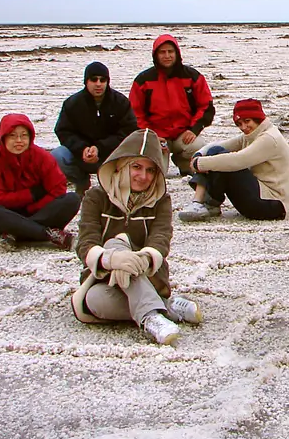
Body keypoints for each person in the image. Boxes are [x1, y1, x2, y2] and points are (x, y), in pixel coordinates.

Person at [72, 128, 202, 345]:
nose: (143, 176)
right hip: (106, 278)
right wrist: (112, 260)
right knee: (94, 300)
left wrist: (141, 259)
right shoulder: (96, 197)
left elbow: (161, 239)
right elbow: (86, 242)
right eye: (136, 167)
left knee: (117, 242)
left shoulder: (161, 200)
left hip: (149, 276)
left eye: (151, 170)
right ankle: (164, 307)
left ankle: (150, 316)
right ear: (122, 165)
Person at [179, 98, 289, 222]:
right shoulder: (253, 134)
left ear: (257, 118)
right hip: (264, 197)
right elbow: (221, 145)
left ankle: (205, 202)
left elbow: (239, 160)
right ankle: (203, 202)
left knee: (225, 161)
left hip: (275, 204)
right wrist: (199, 153)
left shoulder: (269, 138)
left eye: (247, 121)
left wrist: (200, 163)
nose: (244, 127)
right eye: (239, 124)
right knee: (216, 152)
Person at [0, 114, 81, 251]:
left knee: (72, 199)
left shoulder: (42, 157)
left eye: (24, 135)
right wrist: (31, 195)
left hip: (40, 211)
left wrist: (32, 207)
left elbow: (58, 189)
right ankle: (48, 234)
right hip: (9, 213)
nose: (19, 140)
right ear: (3, 137)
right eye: (13, 136)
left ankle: (15, 233)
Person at [129, 34, 215, 176]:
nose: (167, 56)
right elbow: (135, 112)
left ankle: (183, 162)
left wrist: (194, 129)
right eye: (162, 52)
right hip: (156, 136)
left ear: (177, 53)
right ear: (155, 55)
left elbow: (206, 106)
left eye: (170, 51)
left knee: (199, 148)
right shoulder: (143, 80)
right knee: (155, 171)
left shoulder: (192, 76)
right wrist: (149, 134)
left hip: (184, 133)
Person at [52, 61, 138, 196]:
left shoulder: (120, 102)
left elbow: (129, 131)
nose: (98, 84)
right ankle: (81, 182)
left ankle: (113, 187)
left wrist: (100, 147)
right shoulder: (72, 103)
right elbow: (63, 131)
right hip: (81, 154)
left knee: (133, 155)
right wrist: (82, 149)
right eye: (94, 79)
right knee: (57, 155)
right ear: (86, 81)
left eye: (103, 80)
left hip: (111, 153)